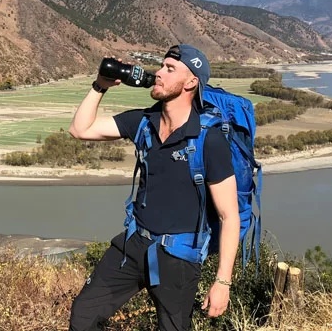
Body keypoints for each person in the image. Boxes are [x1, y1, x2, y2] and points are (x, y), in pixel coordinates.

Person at [68, 44, 240, 331]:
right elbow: (80, 130)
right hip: (134, 244)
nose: (158, 73)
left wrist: (223, 282)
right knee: (83, 315)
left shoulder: (209, 140)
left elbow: (229, 216)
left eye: (170, 69)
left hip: (178, 257)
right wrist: (100, 86)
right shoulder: (144, 122)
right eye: (161, 66)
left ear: (191, 82)